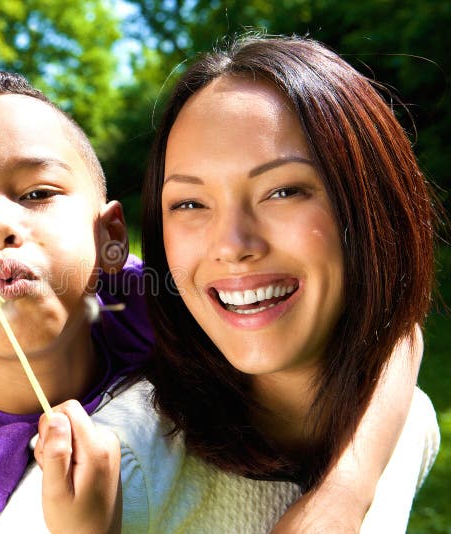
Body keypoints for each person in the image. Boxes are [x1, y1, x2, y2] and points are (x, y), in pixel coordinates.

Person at [0, 68, 429, 533]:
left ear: (110, 241)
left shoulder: (158, 298)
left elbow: (390, 329)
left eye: (37, 192)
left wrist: (343, 497)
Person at [131, 35, 439, 531]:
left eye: (283, 190)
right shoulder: (128, 465)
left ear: (372, 205)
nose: (232, 244)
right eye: (189, 203)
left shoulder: (410, 424)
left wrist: (347, 489)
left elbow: (403, 334)